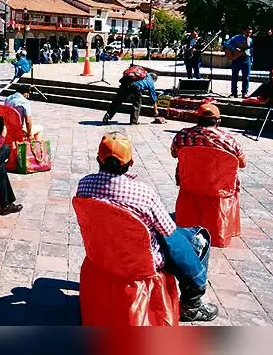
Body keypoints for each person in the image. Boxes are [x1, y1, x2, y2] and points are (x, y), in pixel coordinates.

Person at [76, 133, 218, 322]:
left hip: (103, 253)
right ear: (131, 162)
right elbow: (168, 230)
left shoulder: (84, 185)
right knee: (196, 238)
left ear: (97, 159)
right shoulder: (143, 193)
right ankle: (192, 303)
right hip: (140, 262)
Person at [170, 103, 247, 188]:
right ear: (218, 121)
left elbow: (174, 154)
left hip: (189, 185)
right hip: (220, 189)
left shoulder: (182, 135)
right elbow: (242, 164)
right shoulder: (228, 140)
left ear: (197, 119)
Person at [224, 27, 253, 98]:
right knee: (234, 76)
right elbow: (225, 43)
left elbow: (252, 51)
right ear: (244, 31)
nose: (248, 34)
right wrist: (234, 49)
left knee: (246, 77)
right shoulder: (237, 37)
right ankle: (234, 93)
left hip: (246, 59)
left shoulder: (251, 40)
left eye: (250, 33)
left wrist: (251, 60)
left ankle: (244, 93)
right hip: (236, 59)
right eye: (247, 32)